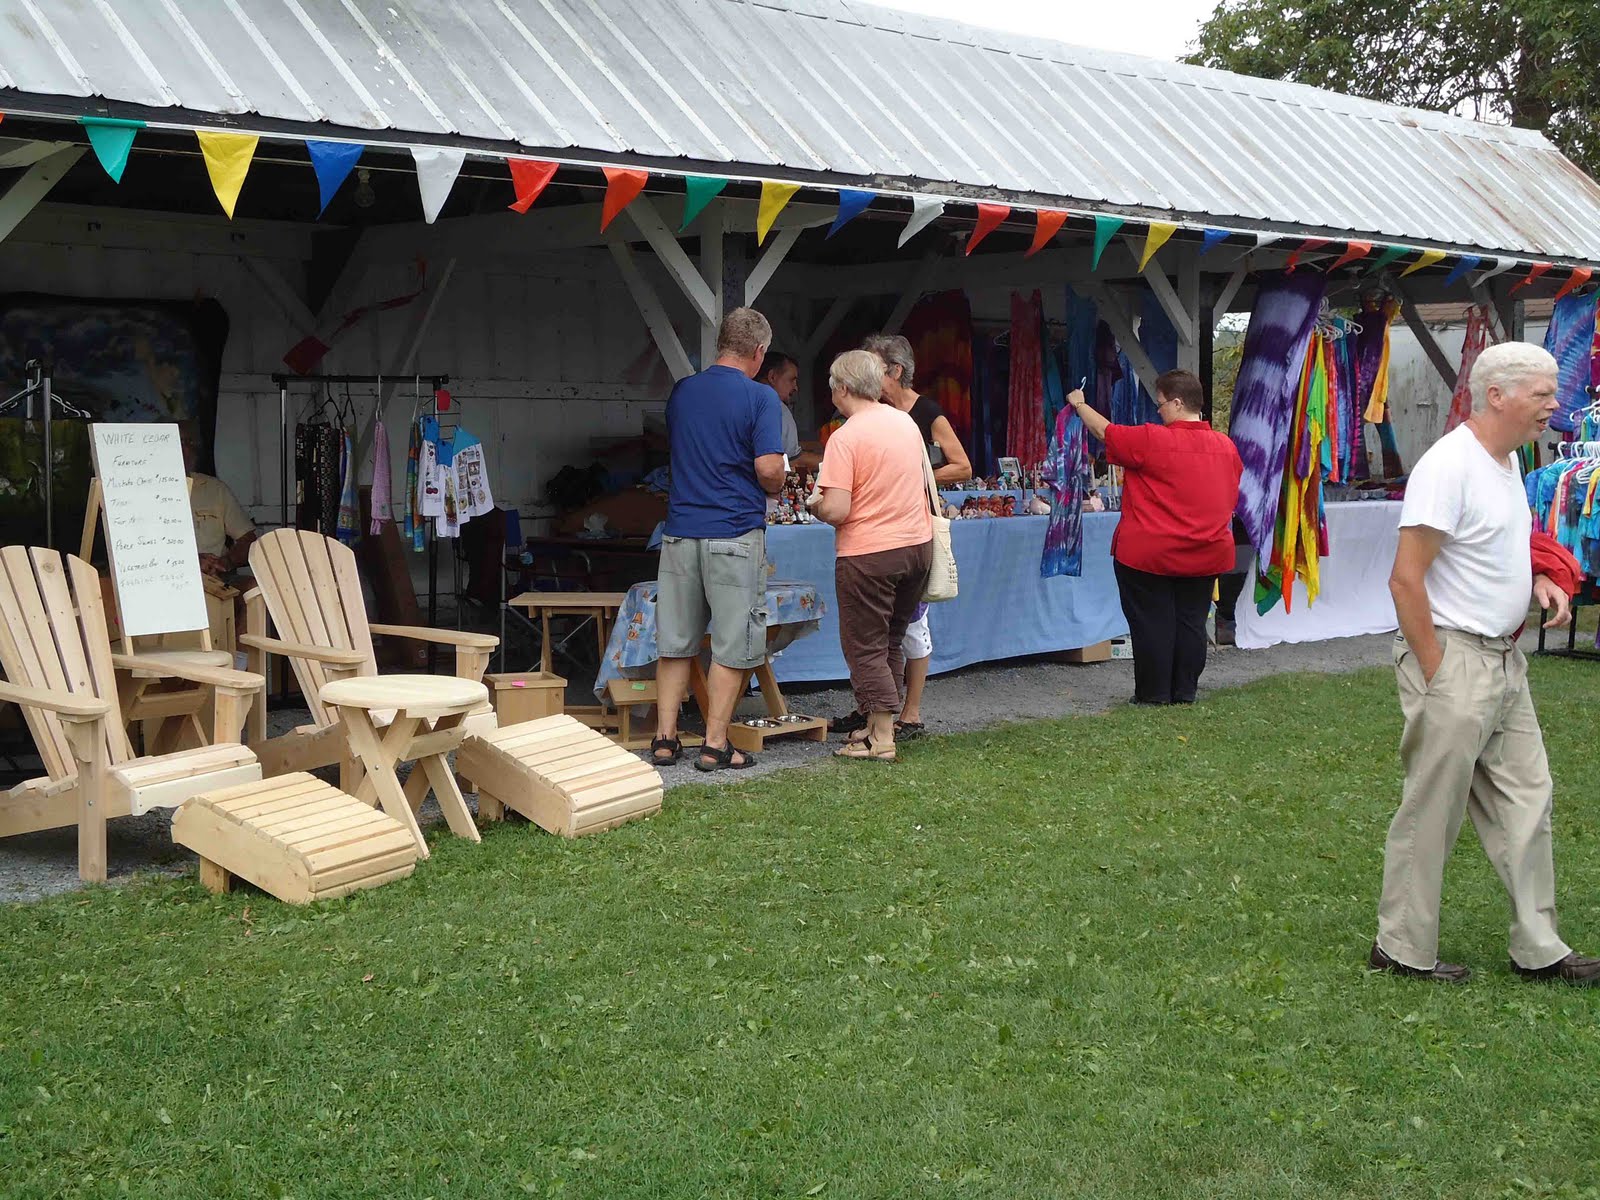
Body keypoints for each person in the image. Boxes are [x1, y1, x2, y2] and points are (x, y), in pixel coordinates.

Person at [1371, 342, 1600, 986]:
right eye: (1543, 393)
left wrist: (1539, 580)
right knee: (1433, 809)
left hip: (1504, 663)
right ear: (1496, 395)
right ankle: (1401, 949)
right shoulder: (1449, 466)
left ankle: (1540, 949)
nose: (1556, 405)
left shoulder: (1503, 463)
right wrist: (1438, 671)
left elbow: (1493, 548)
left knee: (1529, 798)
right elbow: (1405, 581)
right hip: (1457, 660)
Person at [651, 308, 786, 772]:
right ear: (758, 351)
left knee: (675, 641)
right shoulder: (761, 397)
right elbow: (769, 469)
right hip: (733, 531)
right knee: (732, 642)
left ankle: (665, 739)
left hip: (680, 531)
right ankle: (714, 744)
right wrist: (778, 484)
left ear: (721, 344)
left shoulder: (683, 392)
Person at [1068, 369, 1242, 705]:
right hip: (1207, 551)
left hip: (1151, 552)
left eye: (1161, 404)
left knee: (1152, 623)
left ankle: (1153, 693)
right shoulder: (1226, 446)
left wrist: (1079, 404)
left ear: (1178, 403)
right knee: (1191, 622)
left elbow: (1105, 432)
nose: (1158, 411)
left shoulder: (1152, 439)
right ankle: (1184, 690)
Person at [842, 332, 972, 740]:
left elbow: (963, 466)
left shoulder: (927, 413)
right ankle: (875, 709)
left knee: (912, 624)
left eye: (874, 368)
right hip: (884, 529)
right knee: (880, 629)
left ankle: (909, 712)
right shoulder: (873, 413)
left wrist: (916, 475)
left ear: (895, 371)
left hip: (913, 528)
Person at [807, 349, 932, 762]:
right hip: (917, 546)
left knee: (866, 645)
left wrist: (815, 506)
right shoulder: (905, 423)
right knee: (891, 639)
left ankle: (881, 737)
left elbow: (838, 510)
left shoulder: (845, 437)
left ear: (843, 388)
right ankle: (880, 723)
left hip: (869, 553)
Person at [180, 421, 257, 581]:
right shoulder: (141, 492)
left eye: (190, 443)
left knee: (255, 590)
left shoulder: (215, 488)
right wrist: (191, 563)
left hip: (216, 579)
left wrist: (226, 562)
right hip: (167, 580)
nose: (185, 449)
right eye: (179, 442)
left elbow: (247, 539)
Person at [757, 351, 821, 473]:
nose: (795, 387)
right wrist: (835, 462)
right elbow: (793, 460)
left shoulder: (742, 401)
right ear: (772, 377)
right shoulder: (777, 408)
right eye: (792, 380)